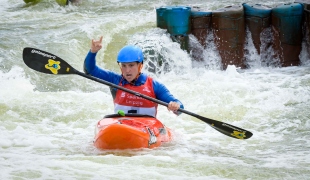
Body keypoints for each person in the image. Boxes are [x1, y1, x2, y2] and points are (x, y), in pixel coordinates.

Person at [83, 36, 184, 117]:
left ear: (140, 66)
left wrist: (175, 106)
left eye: (131, 65)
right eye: (124, 66)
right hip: (122, 126)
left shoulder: (154, 86)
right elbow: (90, 70)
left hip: (145, 131)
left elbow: (180, 108)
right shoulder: (115, 80)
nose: (127, 70)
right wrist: (93, 52)